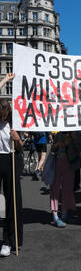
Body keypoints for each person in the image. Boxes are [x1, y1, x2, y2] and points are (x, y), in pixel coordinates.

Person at [0, 97, 24, 257]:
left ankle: (9, 241)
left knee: (12, 201)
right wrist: (5, 79)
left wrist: (18, 139)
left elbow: (21, 147)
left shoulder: (14, 123)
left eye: (5, 113)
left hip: (10, 158)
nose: (3, 116)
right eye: (1, 113)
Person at [50, 131, 81, 227]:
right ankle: (55, 216)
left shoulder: (77, 132)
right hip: (57, 163)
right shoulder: (59, 133)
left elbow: (80, 149)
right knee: (55, 189)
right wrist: (58, 144)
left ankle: (64, 214)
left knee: (67, 190)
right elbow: (52, 149)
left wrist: (75, 139)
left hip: (70, 164)